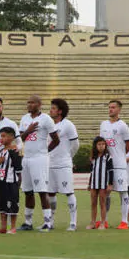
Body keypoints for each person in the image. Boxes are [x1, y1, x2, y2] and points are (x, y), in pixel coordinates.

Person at [17, 95, 60, 233]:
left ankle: (47, 222)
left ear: (39, 104)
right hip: (27, 158)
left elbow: (56, 140)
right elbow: (20, 139)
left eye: (32, 102)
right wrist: (28, 131)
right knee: (28, 191)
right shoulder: (24, 118)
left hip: (39, 158)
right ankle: (28, 222)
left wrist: (45, 152)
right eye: (28, 102)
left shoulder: (46, 119)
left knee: (42, 190)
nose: (29, 104)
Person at [99, 100, 129, 230]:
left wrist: (120, 155)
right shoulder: (104, 124)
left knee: (123, 192)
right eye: (109, 107)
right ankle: (104, 220)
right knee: (106, 192)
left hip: (119, 165)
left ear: (119, 110)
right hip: (106, 164)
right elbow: (101, 142)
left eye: (113, 107)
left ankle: (124, 221)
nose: (110, 109)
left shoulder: (123, 126)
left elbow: (128, 145)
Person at [48, 98, 80, 231]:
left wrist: (68, 157)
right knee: (50, 194)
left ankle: (73, 222)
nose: (50, 110)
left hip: (64, 164)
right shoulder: (49, 125)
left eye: (53, 108)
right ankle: (50, 221)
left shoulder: (68, 125)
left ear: (60, 111)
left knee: (69, 192)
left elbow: (75, 145)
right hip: (50, 164)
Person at [0, 127, 22, 234]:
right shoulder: (1, 151)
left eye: (4, 136)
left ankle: (13, 227)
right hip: (1, 182)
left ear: (11, 137)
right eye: (1, 136)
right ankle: (3, 227)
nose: (1, 138)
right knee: (2, 205)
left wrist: (18, 183)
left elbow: (18, 168)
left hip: (11, 182)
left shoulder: (14, 150)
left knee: (12, 204)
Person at [87, 136, 113, 230]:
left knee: (102, 203)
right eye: (99, 144)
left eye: (103, 144)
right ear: (95, 146)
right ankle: (93, 222)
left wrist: (110, 184)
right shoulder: (93, 157)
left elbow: (111, 171)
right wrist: (90, 183)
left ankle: (103, 222)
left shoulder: (108, 157)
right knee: (93, 203)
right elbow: (92, 172)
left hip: (103, 183)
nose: (101, 146)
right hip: (94, 183)